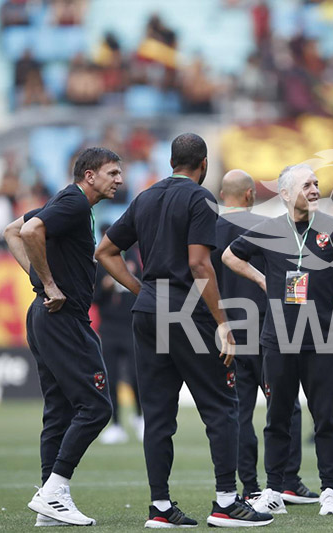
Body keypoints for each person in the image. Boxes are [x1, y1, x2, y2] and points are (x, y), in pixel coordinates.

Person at [95, 133, 273, 528]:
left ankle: (160, 507)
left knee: (157, 415)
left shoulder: (144, 196)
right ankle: (227, 501)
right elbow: (199, 265)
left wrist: (142, 290)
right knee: (222, 406)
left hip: (147, 313)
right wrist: (224, 324)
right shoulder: (199, 198)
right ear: (204, 164)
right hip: (188, 314)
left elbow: (105, 251)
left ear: (172, 160)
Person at [222, 164, 333, 516]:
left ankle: (330, 489)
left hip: (321, 339)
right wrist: (261, 279)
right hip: (278, 338)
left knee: (325, 418)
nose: (314, 189)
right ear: (285, 194)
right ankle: (272, 488)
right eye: (306, 185)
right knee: (277, 417)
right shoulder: (268, 229)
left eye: (317, 184)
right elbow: (229, 256)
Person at [2, 147, 123, 526]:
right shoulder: (73, 203)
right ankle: (54, 490)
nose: (119, 179)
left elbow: (12, 230)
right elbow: (29, 231)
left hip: (45, 316)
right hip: (61, 318)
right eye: (112, 173)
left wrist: (38, 282)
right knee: (98, 407)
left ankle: (48, 503)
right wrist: (49, 284)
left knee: (59, 410)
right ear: (90, 175)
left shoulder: (68, 202)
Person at [211, 169, 319, 504]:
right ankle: (287, 480)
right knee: (286, 403)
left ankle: (250, 486)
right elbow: (292, 272)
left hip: (226, 327)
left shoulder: (206, 230)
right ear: (249, 195)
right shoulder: (267, 227)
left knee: (238, 409)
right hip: (268, 327)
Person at [94, 223, 144, 444]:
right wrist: (104, 287)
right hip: (109, 329)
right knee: (111, 377)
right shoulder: (99, 263)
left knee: (136, 375)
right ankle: (116, 424)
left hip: (131, 325)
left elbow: (146, 288)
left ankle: (140, 417)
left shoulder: (135, 256)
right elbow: (93, 298)